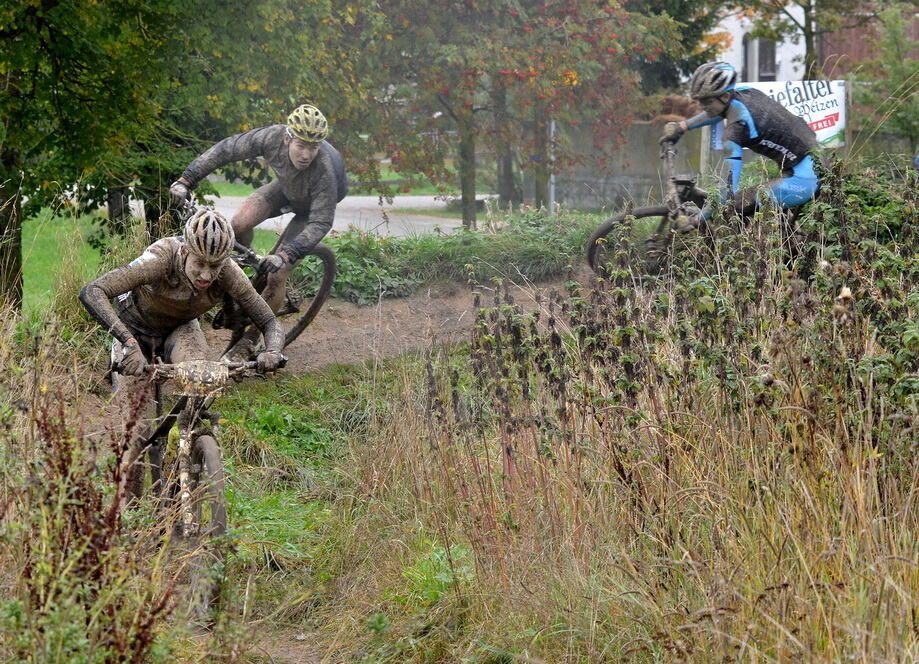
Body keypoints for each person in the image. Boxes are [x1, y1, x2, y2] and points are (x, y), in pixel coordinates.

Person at [80, 209, 284, 494]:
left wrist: (272, 349)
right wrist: (127, 343)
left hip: (180, 329)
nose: (206, 274)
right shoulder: (160, 259)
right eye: (200, 263)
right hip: (134, 332)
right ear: (185, 250)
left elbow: (269, 320)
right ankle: (134, 519)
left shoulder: (227, 272)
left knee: (202, 388)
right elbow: (93, 291)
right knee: (136, 433)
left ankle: (184, 472)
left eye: (215, 266)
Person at [168, 104, 347, 358]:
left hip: (311, 211)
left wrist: (286, 255)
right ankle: (245, 275)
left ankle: (251, 339)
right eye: (301, 146)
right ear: (287, 138)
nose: (307, 154)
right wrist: (187, 179)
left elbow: (320, 222)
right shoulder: (271, 137)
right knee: (237, 225)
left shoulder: (324, 170)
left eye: (313, 147)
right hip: (284, 188)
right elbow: (227, 149)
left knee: (278, 274)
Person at [659, 62, 819, 232]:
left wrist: (698, 219)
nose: (702, 106)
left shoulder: (737, 129)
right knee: (744, 204)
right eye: (699, 100)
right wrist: (683, 126)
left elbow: (726, 192)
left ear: (725, 96)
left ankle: (756, 250)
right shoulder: (745, 93)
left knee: (734, 206)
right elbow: (719, 111)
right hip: (809, 160)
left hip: (805, 180)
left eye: (706, 101)